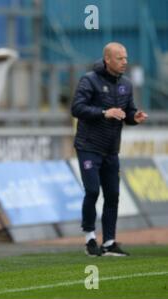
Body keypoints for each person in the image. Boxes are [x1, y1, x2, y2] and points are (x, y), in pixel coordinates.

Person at [71, 42, 148, 257]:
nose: (125, 62)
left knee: (113, 194)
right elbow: (76, 108)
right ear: (107, 60)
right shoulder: (89, 80)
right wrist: (104, 112)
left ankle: (110, 242)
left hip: (111, 149)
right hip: (88, 146)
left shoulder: (126, 84)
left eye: (125, 58)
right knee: (93, 191)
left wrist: (134, 117)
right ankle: (89, 239)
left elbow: (128, 112)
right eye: (120, 58)